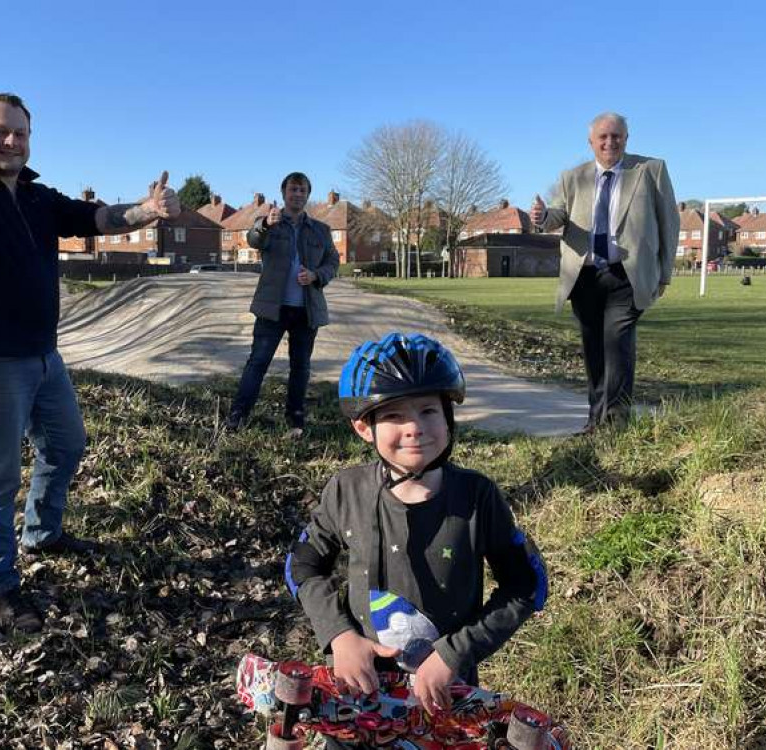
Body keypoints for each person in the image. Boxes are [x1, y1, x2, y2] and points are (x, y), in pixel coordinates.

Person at [0, 93, 180, 633]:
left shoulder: (38, 197)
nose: (11, 141)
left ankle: (42, 532)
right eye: (1, 131)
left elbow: (96, 217)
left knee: (67, 443)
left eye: (20, 133)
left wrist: (147, 210)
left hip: (45, 355)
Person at [285, 333, 547, 748]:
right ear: (363, 427)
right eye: (393, 416)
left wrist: (454, 654)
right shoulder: (345, 491)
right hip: (357, 697)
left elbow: (526, 585)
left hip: (443, 701)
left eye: (428, 410)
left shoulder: (477, 497)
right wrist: (339, 635)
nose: (414, 429)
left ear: (448, 417)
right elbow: (302, 565)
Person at [531, 112, 679, 432]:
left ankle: (616, 425)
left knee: (617, 343)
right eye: (603, 137)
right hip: (584, 278)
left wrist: (665, 273)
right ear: (591, 142)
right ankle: (594, 421)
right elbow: (559, 215)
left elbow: (670, 223)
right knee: (594, 350)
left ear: (627, 138)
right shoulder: (573, 177)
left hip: (628, 276)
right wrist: (542, 217)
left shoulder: (650, 171)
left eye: (617, 136)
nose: (610, 142)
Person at [227, 172, 340, 437]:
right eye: (293, 190)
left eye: (302, 190)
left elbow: (332, 263)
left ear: (308, 195)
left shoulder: (321, 231)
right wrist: (265, 223)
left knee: (300, 367)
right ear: (284, 193)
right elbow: (254, 239)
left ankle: (295, 419)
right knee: (258, 362)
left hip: (306, 309)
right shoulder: (269, 223)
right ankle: (237, 416)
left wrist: (316, 276)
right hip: (272, 309)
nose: (298, 194)